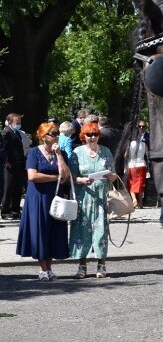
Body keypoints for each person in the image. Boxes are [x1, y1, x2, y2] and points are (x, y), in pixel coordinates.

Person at [15, 122, 71, 281]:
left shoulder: (61, 153)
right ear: (43, 136)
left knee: (53, 231)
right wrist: (55, 178)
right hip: (38, 198)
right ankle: (42, 268)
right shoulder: (33, 153)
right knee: (40, 230)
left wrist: (59, 155)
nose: (56, 136)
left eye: (57, 134)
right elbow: (32, 176)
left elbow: (66, 176)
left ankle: (50, 267)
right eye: (52, 134)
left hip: (56, 198)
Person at [68, 122, 118, 279]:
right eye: (89, 134)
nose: (92, 137)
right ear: (83, 136)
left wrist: (112, 176)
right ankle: (82, 266)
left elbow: (114, 174)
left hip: (100, 198)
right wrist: (82, 180)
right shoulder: (77, 152)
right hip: (83, 198)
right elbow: (71, 177)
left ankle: (101, 264)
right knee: (81, 232)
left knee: (101, 231)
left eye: (95, 134)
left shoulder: (106, 152)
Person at [2, 113, 27, 220]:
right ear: (10, 122)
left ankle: (15, 210)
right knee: (8, 189)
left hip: (19, 164)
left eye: (20, 122)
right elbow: (2, 148)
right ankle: (5, 211)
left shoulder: (16, 132)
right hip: (10, 165)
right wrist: (6, 160)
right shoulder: (6, 132)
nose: (19, 124)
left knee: (18, 188)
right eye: (17, 122)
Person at [127, 127, 148, 208]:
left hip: (132, 165)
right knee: (141, 184)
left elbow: (126, 155)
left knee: (132, 183)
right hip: (142, 164)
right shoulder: (144, 144)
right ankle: (141, 203)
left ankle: (134, 199)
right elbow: (147, 155)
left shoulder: (129, 145)